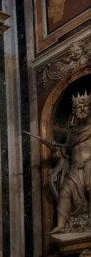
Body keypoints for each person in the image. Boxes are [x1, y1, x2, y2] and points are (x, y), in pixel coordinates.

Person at [50, 91, 91, 233]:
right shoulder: (73, 133)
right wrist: (56, 149)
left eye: (84, 107)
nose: (81, 110)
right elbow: (65, 151)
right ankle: (61, 225)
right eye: (78, 108)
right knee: (65, 192)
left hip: (89, 165)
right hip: (74, 168)